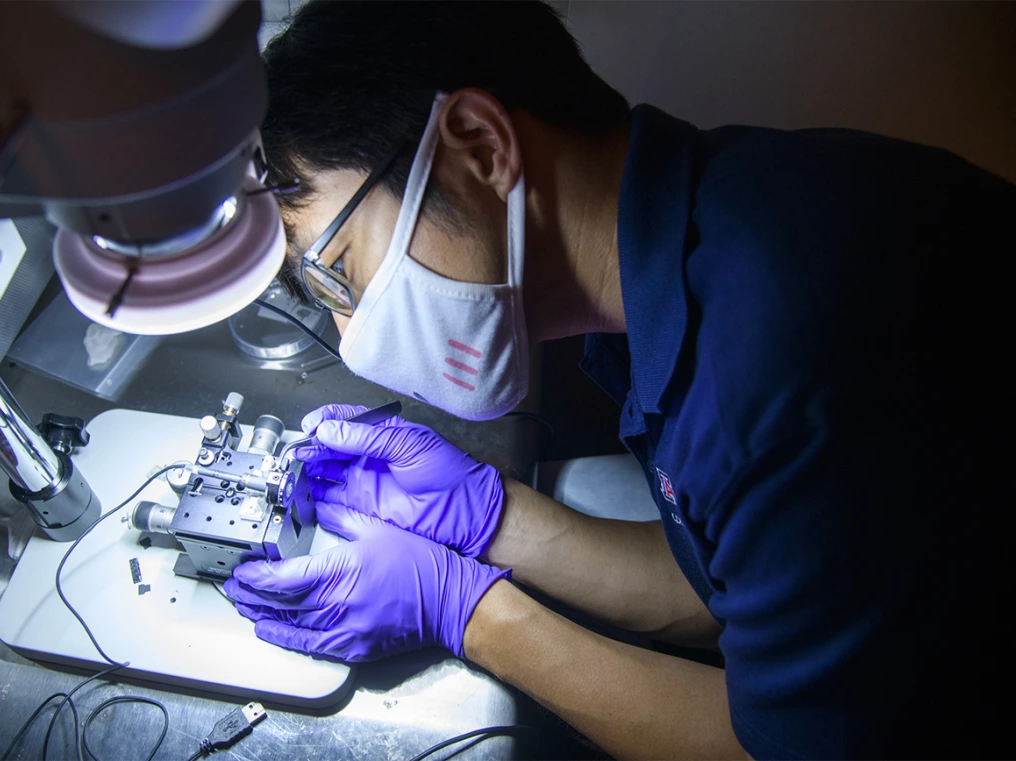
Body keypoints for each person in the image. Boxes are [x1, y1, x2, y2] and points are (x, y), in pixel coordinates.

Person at [221, 2, 1014, 758]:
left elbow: (779, 749)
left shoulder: (782, 344)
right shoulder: (675, 250)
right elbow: (728, 590)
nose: (352, 338)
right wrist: (486, 518)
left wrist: (467, 613)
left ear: (479, 147)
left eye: (338, 273)